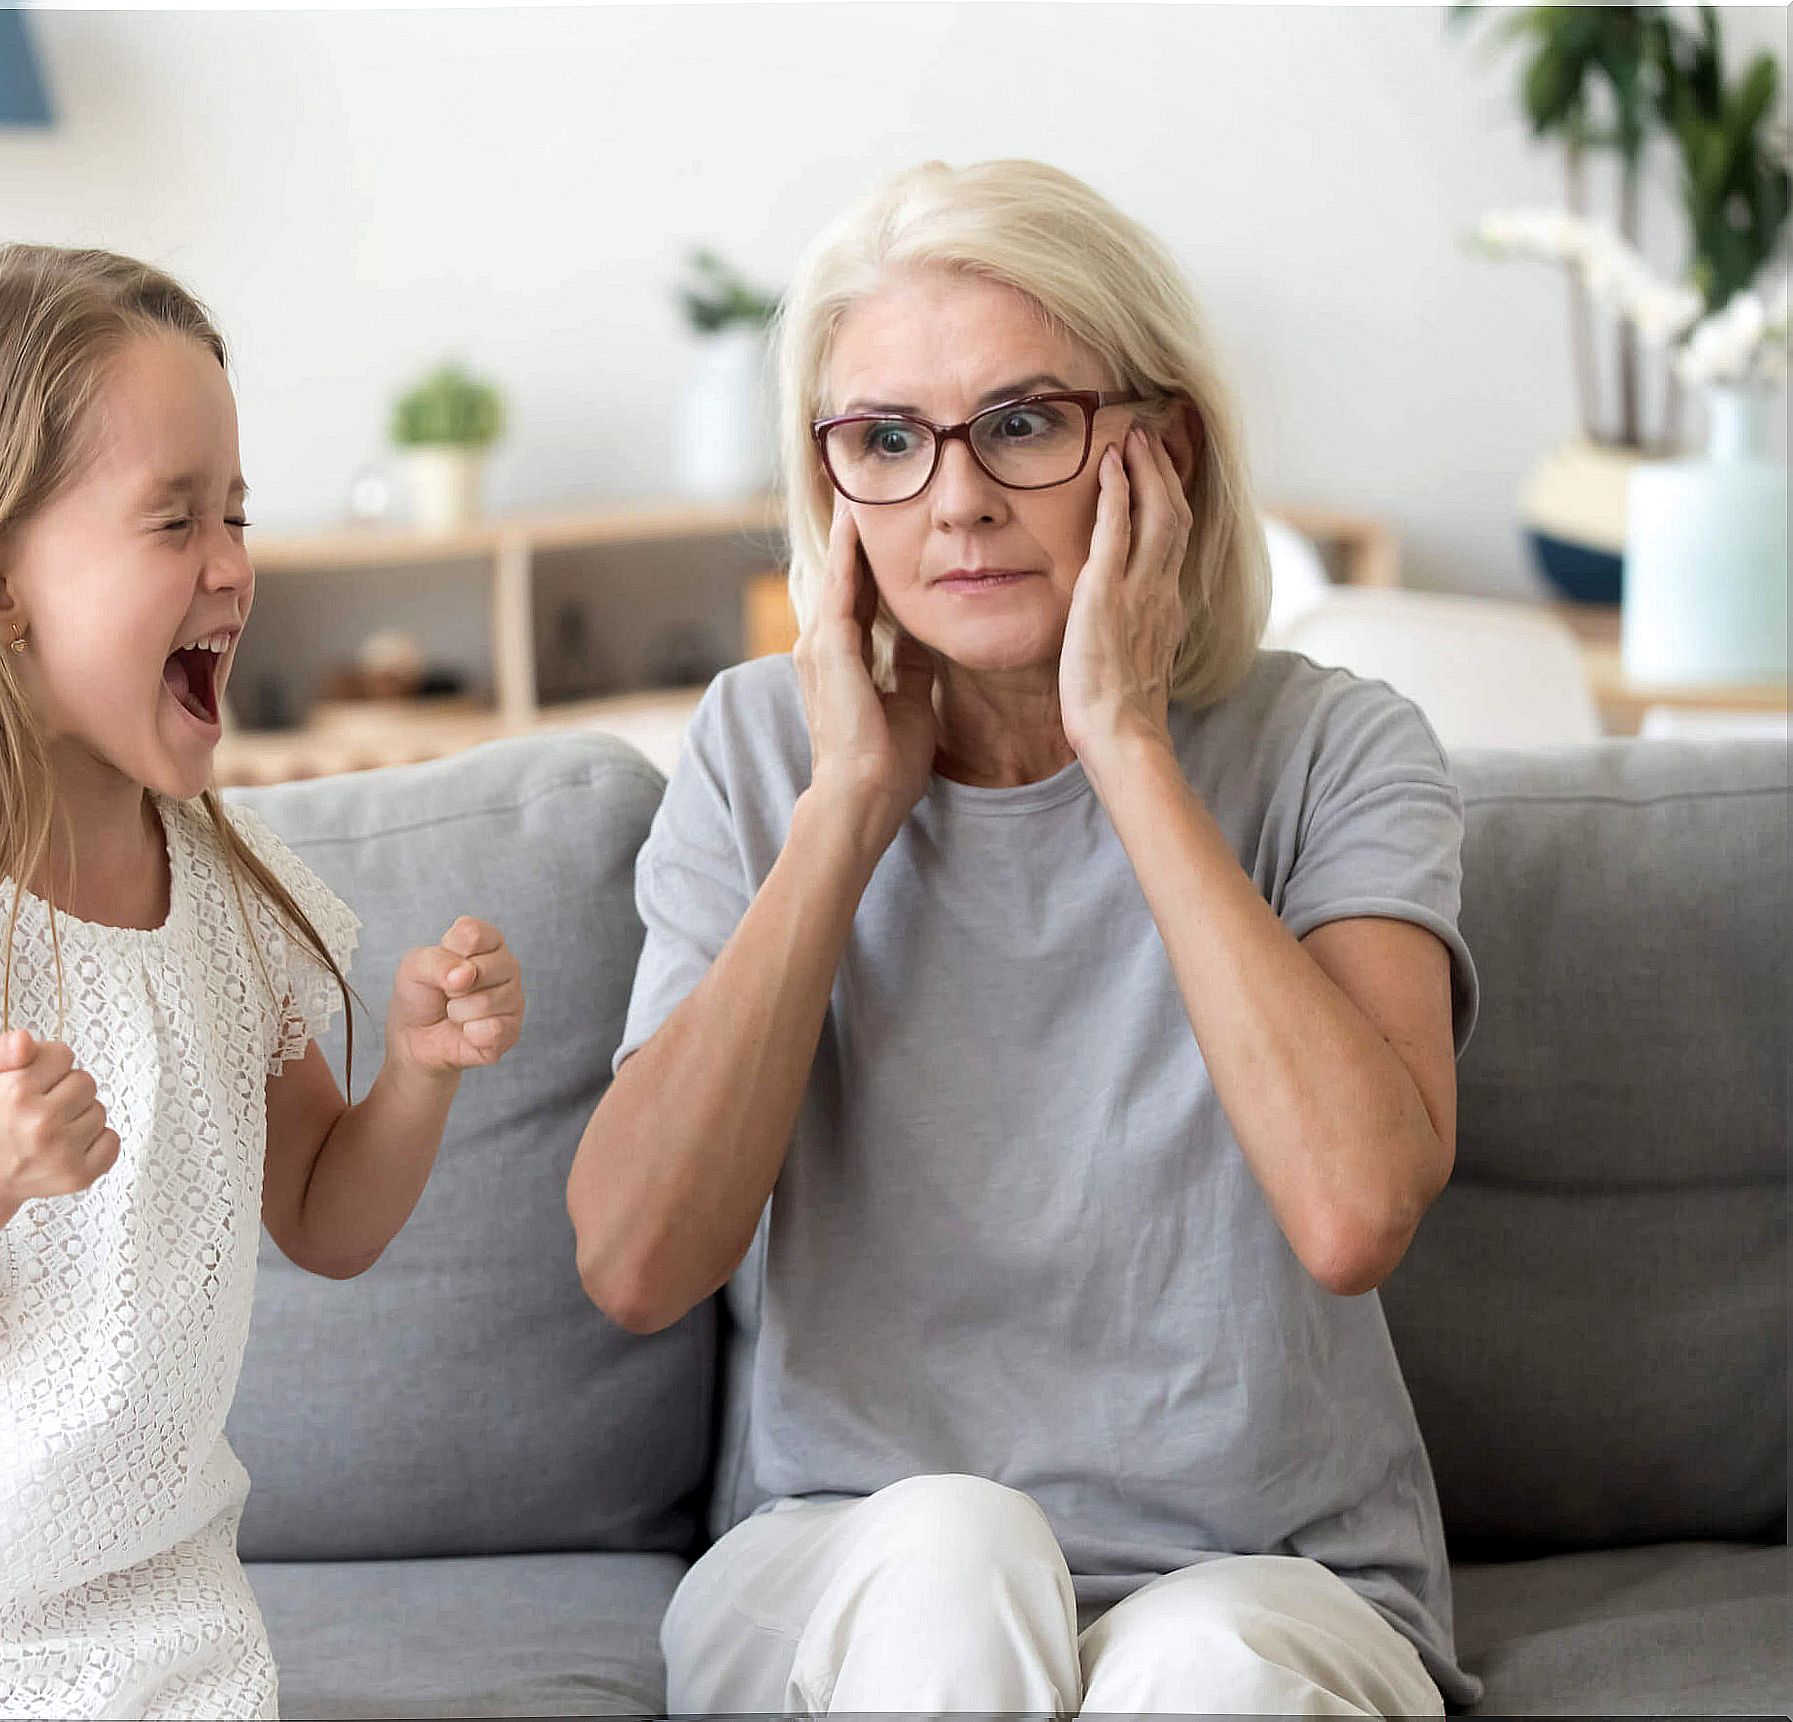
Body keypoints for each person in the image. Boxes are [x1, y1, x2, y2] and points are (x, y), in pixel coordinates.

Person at [568, 159, 1481, 1715]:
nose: (957, 497)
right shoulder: (755, 749)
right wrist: (849, 803)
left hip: (1273, 1571)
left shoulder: (1340, 750)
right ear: (829, 475)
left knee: (1208, 1671)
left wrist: (1123, 741)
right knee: (955, 1547)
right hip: (845, 1555)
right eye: (884, 441)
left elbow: (1352, 1213)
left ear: (1161, 446)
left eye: (1021, 421)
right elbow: (638, 1260)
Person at [0, 243, 525, 1719]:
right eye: (175, 519)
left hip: (150, 1625)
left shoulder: (224, 891)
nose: (232, 563)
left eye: (238, 513)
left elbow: (325, 1213)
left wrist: (417, 1076)